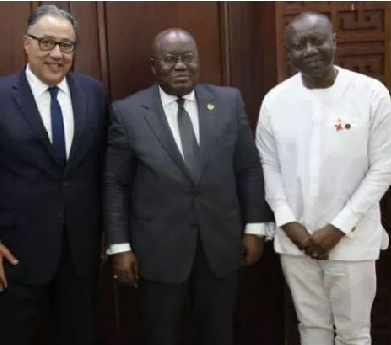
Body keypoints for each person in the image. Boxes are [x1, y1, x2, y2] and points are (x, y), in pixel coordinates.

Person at [103, 28, 271, 345]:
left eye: (188, 57)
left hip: (221, 246)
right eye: (170, 59)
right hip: (157, 250)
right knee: (161, 334)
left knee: (218, 333)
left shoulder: (228, 101)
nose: (181, 66)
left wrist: (255, 227)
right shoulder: (127, 113)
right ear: (154, 67)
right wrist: (119, 247)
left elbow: (248, 168)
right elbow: (116, 184)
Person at [256, 12, 391, 345]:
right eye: (298, 45)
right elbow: (269, 166)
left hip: (352, 240)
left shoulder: (370, 94)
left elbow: (384, 168)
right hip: (296, 241)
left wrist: (337, 228)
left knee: (354, 335)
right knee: (312, 329)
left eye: (317, 40)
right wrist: (289, 223)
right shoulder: (275, 101)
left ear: (334, 39)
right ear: (288, 52)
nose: (309, 50)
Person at [0, 5, 107, 345]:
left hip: (80, 252)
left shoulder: (94, 93)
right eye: (47, 43)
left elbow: (102, 170)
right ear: (26, 44)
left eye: (67, 45)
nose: (57, 54)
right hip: (15, 254)